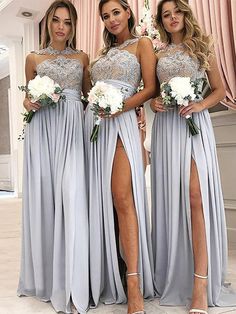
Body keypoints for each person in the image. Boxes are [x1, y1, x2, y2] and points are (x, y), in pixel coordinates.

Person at [151, 1, 236, 314]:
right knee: (174, 200)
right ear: (162, 21)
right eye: (166, 15)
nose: (173, 18)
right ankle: (175, 272)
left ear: (186, 14)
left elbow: (219, 88)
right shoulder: (157, 53)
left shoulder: (202, 46)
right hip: (167, 129)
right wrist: (156, 103)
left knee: (196, 196)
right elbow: (150, 91)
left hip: (194, 126)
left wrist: (201, 105)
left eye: (177, 12)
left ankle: (201, 283)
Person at [84, 0, 156, 313]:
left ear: (128, 12)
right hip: (96, 127)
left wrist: (124, 108)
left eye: (116, 12)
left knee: (122, 198)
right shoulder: (99, 55)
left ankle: (134, 282)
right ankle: (110, 272)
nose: (111, 20)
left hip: (123, 122)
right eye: (105, 16)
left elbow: (151, 88)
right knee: (104, 203)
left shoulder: (142, 44)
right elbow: (89, 90)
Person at [17, 1, 89, 313]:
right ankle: (48, 277)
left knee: (71, 196)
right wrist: (28, 101)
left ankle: (73, 283)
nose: (61, 27)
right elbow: (28, 96)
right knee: (46, 200)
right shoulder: (33, 57)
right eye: (56, 21)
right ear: (48, 23)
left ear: (74, 26)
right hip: (43, 131)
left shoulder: (83, 57)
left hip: (73, 130)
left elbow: (89, 95)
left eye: (68, 22)